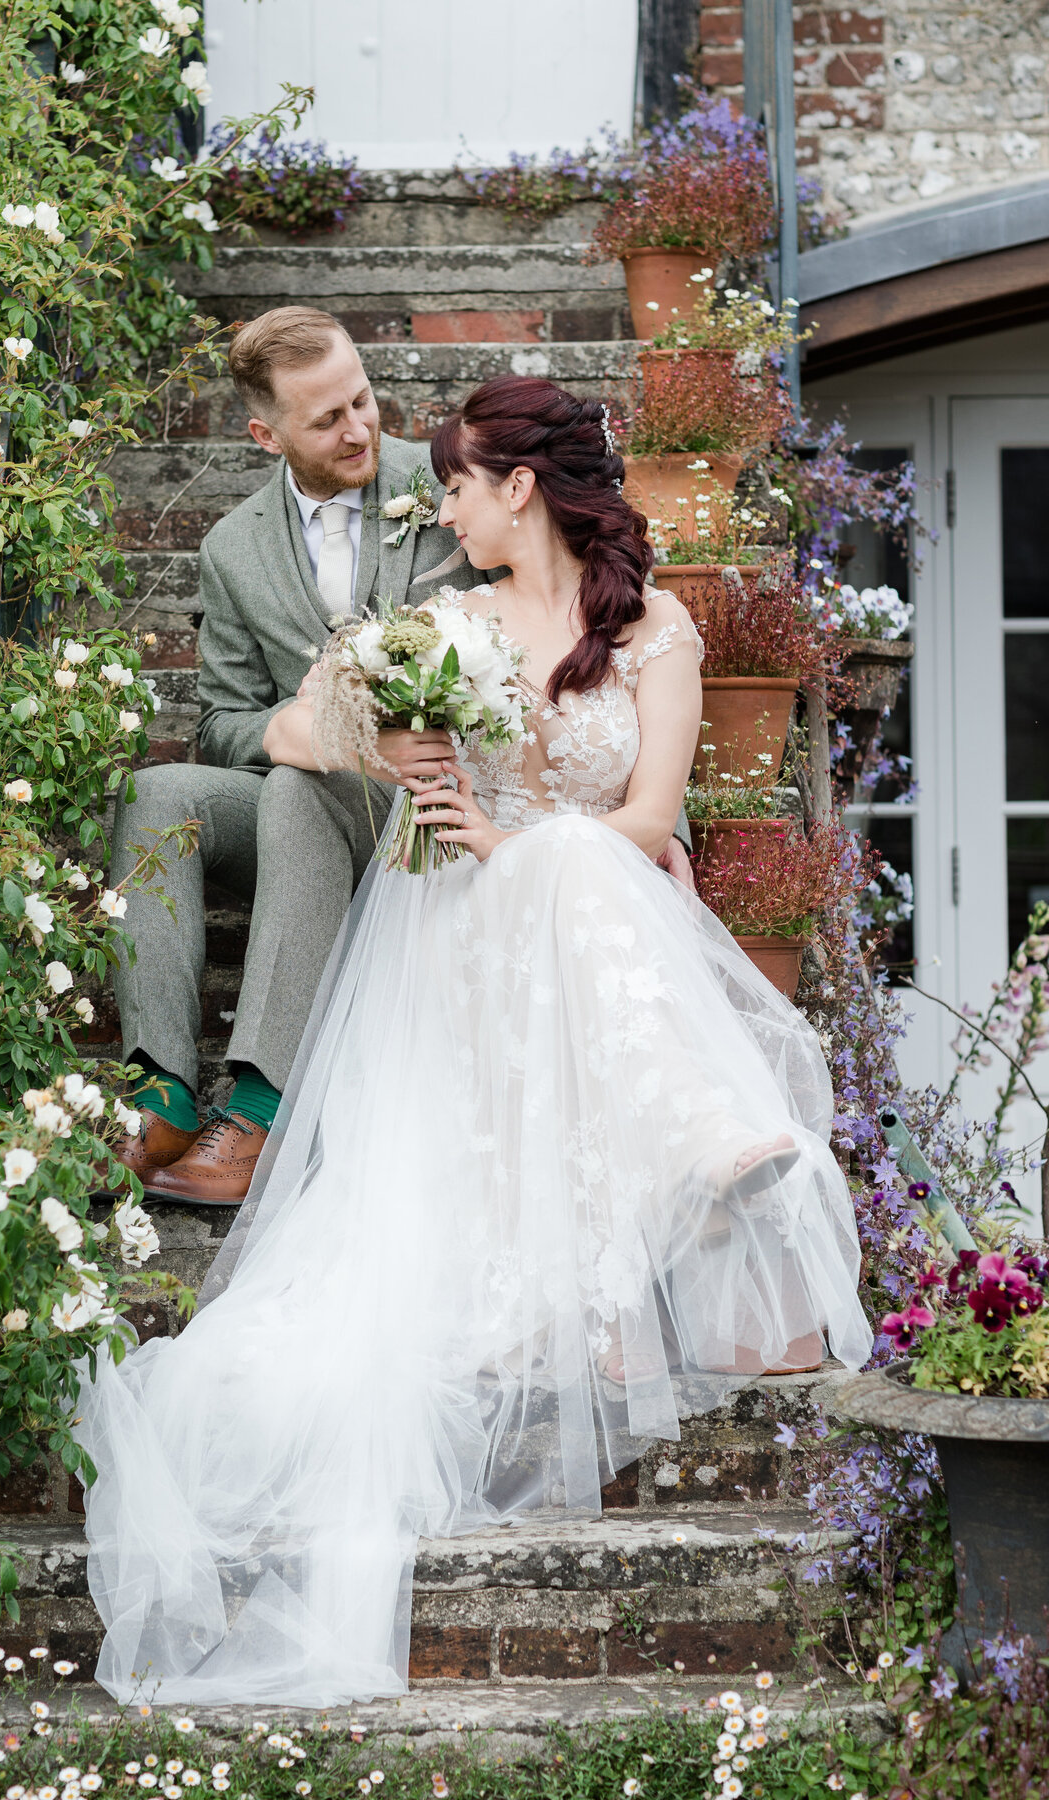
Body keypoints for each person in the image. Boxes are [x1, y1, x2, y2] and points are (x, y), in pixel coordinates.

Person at [76, 376, 871, 1707]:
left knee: (575, 864)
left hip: (594, 913)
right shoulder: (440, 628)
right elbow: (284, 733)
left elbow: (654, 819)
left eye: (456, 481)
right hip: (459, 945)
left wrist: (523, 846)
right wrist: (375, 744)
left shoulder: (655, 629)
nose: (439, 505)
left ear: (520, 487)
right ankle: (694, 1149)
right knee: (555, 870)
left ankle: (669, 1167)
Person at [108, 308, 694, 1205]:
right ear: (265, 434)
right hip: (318, 796)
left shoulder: (468, 482)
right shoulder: (233, 549)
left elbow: (592, 632)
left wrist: (663, 827)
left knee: (296, 796)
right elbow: (222, 722)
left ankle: (263, 1107)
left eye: (363, 400)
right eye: (326, 419)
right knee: (160, 794)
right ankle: (161, 1096)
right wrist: (304, 734)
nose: (359, 430)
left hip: (449, 801)